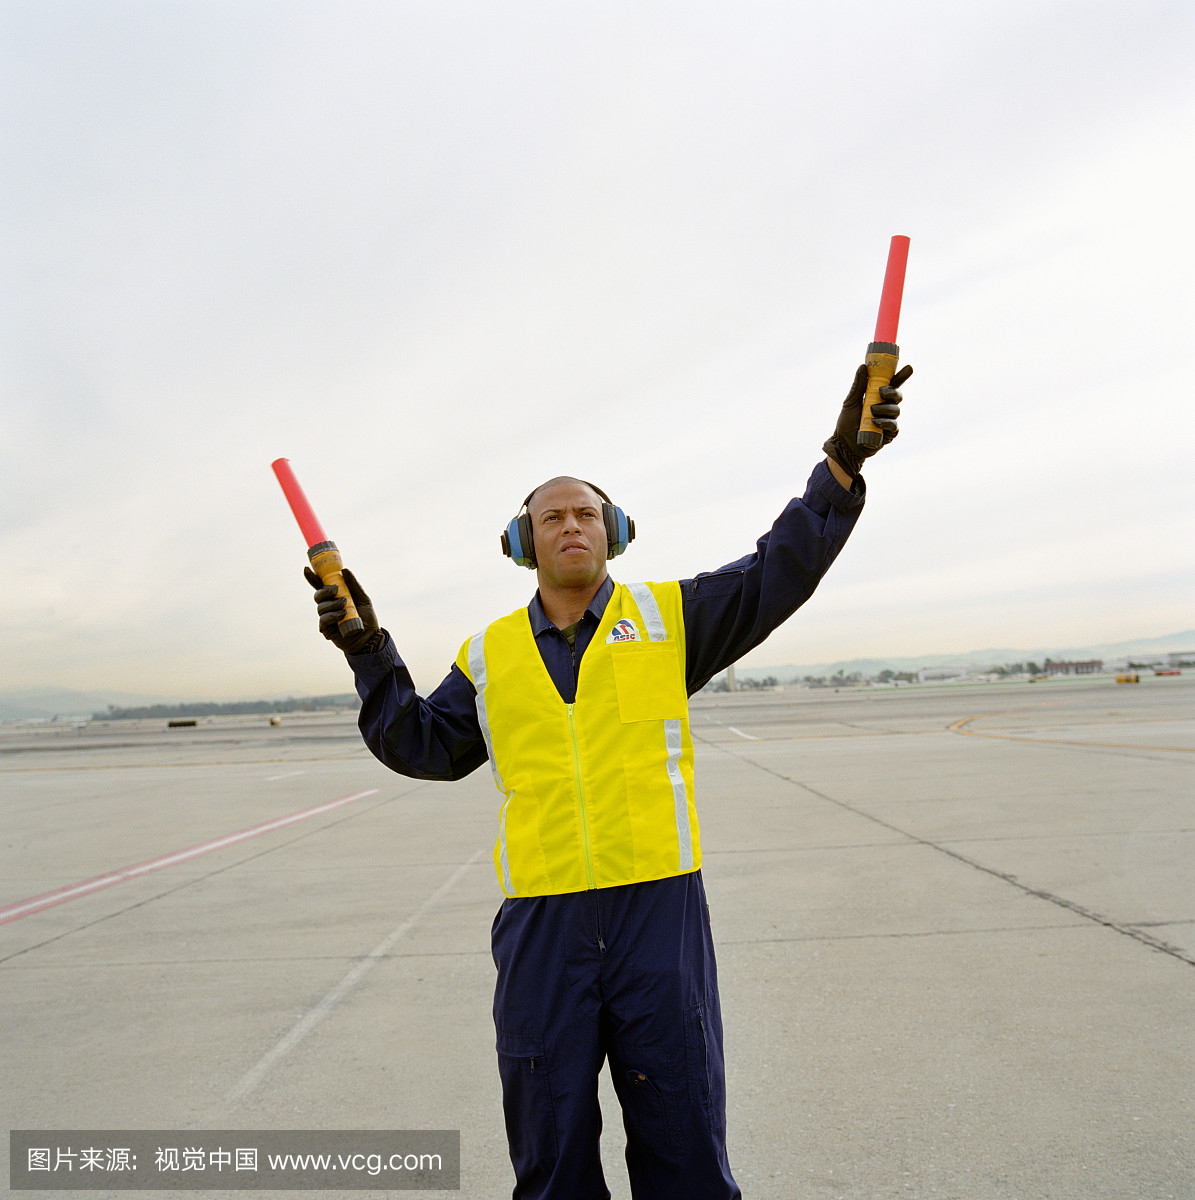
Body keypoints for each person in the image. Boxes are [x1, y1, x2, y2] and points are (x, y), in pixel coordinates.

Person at [306, 362, 911, 1200]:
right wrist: (367, 651)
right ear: (523, 543)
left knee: (682, 1139)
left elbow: (780, 567)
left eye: (586, 513)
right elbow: (421, 744)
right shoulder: (488, 654)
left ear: (615, 531)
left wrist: (841, 464)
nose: (570, 525)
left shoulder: (670, 620)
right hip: (541, 924)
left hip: (657, 912)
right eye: (551, 517)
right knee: (549, 1149)